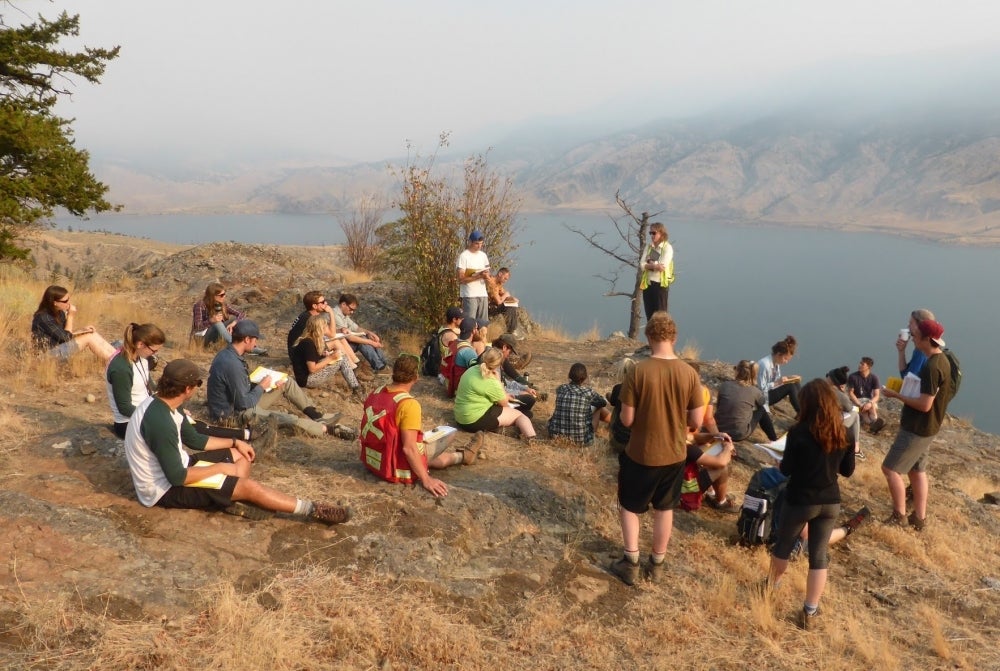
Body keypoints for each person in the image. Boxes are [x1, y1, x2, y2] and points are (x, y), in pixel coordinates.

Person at [124, 358, 350, 524]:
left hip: (179, 468)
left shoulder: (166, 403)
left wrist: (235, 443)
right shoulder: (159, 421)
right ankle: (313, 509)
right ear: (187, 388)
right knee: (249, 486)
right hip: (163, 489)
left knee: (242, 455)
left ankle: (229, 497)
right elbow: (177, 477)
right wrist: (221, 468)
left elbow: (194, 439)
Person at [610, 311, 703, 586]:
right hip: (674, 454)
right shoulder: (689, 373)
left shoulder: (638, 371)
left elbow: (626, 419)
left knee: (630, 506)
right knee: (665, 509)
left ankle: (631, 561)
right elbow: (696, 421)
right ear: (674, 338)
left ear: (649, 337)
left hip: (641, 452)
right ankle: (657, 563)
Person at [765, 379, 856, 630]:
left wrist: (777, 464)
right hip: (830, 501)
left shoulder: (798, 432)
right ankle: (810, 611)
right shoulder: (845, 432)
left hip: (801, 499)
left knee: (783, 545)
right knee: (818, 556)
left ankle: (770, 588)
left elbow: (787, 469)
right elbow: (847, 471)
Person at [105, 322, 258, 444]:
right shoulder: (121, 369)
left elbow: (151, 389)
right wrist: (162, 413)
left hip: (147, 411)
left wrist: (172, 405)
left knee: (192, 424)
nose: (155, 355)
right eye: (154, 351)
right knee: (188, 430)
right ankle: (240, 439)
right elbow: (124, 407)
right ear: (140, 345)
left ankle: (244, 435)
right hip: (129, 424)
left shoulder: (141, 359)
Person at [360, 355, 484, 498]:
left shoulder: (376, 392)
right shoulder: (408, 404)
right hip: (393, 468)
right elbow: (408, 448)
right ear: (416, 377)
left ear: (394, 373)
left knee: (419, 447)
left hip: (373, 461)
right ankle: (462, 456)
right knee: (440, 438)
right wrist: (426, 480)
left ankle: (463, 456)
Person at [207, 320, 351, 439]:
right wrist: (262, 386)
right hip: (233, 416)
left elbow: (239, 389)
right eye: (255, 340)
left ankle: (317, 415)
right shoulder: (232, 363)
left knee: (285, 381)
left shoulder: (229, 355)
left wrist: (265, 384)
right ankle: (328, 429)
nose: (256, 344)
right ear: (247, 339)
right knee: (286, 418)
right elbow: (243, 403)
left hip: (240, 405)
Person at [881, 319, 954, 531]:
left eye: (916, 333)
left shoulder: (932, 367)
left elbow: (924, 405)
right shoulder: (941, 360)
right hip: (929, 427)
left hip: (917, 428)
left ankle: (899, 516)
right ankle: (919, 519)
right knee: (917, 470)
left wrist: (896, 395)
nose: (912, 336)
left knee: (890, 469)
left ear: (925, 339)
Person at [453, 347, 536, 443]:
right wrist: (498, 382)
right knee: (521, 416)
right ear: (498, 365)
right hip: (474, 421)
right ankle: (532, 440)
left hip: (460, 418)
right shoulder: (491, 380)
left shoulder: (471, 370)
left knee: (527, 413)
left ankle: (498, 428)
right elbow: (504, 404)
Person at [31, 285, 117, 362]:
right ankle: (116, 363)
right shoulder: (44, 317)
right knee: (89, 338)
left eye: (68, 299)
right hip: (46, 356)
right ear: (55, 302)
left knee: (91, 333)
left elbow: (65, 333)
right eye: (65, 301)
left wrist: (82, 330)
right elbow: (66, 338)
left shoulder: (59, 312)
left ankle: (117, 357)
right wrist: (70, 316)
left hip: (59, 348)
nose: (68, 303)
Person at [290, 314, 364, 402]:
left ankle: (356, 385)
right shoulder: (308, 344)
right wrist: (330, 358)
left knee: (340, 356)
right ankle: (356, 389)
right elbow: (312, 369)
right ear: (320, 328)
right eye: (325, 326)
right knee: (342, 359)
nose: (327, 328)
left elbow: (311, 358)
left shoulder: (309, 340)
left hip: (306, 376)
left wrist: (324, 355)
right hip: (307, 380)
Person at [286, 290, 361, 372]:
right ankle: (352, 367)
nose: (326, 303)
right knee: (335, 342)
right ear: (314, 306)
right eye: (322, 302)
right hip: (300, 355)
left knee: (341, 338)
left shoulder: (308, 314)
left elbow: (329, 332)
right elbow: (332, 334)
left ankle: (354, 363)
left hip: (302, 349)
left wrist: (340, 330)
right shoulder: (313, 319)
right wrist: (331, 312)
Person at [191, 282, 267, 355]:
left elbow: (241, 314)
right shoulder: (200, 305)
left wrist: (234, 323)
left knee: (236, 320)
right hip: (202, 339)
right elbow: (197, 326)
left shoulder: (223, 304)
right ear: (213, 296)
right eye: (221, 295)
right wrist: (211, 321)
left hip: (216, 337)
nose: (224, 297)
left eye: (224, 294)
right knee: (218, 323)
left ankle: (250, 344)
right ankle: (238, 346)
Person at [547, 363, 611, 445]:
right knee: (599, 407)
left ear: (569, 375)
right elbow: (603, 402)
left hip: (554, 435)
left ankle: (615, 423)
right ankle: (616, 423)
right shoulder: (588, 392)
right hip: (582, 439)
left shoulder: (561, 388)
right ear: (585, 377)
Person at [716, 360, 779, 442]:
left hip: (718, 429)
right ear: (754, 374)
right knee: (761, 410)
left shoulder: (725, 385)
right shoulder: (754, 391)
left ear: (737, 371)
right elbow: (762, 402)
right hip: (738, 434)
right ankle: (773, 438)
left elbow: (718, 406)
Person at [333, 293, 388, 372]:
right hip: (340, 346)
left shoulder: (343, 314)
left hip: (344, 343)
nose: (352, 312)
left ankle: (382, 362)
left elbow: (356, 328)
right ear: (343, 304)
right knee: (362, 341)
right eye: (351, 309)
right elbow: (349, 337)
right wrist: (371, 342)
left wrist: (369, 333)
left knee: (367, 336)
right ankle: (379, 365)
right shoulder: (335, 315)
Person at [683, 436, 738, 511]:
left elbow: (694, 437)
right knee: (721, 469)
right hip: (683, 491)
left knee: (704, 448)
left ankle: (710, 492)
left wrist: (713, 435)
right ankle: (721, 502)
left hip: (670, 483)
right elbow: (721, 462)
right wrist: (727, 448)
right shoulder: (687, 447)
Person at [492, 334, 539, 418]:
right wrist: (519, 393)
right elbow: (498, 392)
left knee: (527, 411)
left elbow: (505, 383)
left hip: (500, 397)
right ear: (504, 347)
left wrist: (525, 388)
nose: (509, 355)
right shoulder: (494, 363)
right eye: (510, 352)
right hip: (496, 401)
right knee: (529, 401)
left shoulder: (496, 359)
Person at [826, 366, 864, 461]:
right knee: (855, 415)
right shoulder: (840, 395)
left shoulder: (819, 388)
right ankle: (856, 448)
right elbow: (849, 408)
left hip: (815, 422)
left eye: (828, 375)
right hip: (829, 427)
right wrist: (843, 393)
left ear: (831, 379)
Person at [638, 222, 674, 320]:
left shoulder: (667, 248)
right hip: (648, 285)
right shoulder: (649, 247)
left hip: (660, 287)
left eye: (654, 233)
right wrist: (654, 265)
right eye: (650, 233)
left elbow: (662, 267)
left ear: (661, 233)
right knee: (650, 317)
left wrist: (649, 263)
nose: (652, 235)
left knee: (661, 318)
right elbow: (641, 265)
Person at [757, 335, 801, 414]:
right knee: (790, 386)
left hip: (769, 391)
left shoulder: (776, 363)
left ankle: (804, 406)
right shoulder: (764, 365)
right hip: (761, 397)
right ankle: (801, 413)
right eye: (785, 358)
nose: (786, 362)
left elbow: (776, 381)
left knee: (795, 382)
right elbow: (761, 389)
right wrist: (778, 382)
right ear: (778, 354)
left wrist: (789, 378)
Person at [456, 230, 490, 322]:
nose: (479, 246)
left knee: (483, 323)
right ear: (470, 242)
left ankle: (482, 336)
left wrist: (487, 276)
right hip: (470, 295)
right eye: (476, 244)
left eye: (481, 244)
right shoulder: (464, 256)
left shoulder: (483, 256)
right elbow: (461, 279)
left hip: (482, 294)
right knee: (469, 323)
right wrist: (478, 276)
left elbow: (488, 273)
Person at [848, 357, 884, 434]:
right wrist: (859, 404)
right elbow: (851, 393)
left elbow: (877, 395)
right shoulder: (852, 377)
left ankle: (873, 424)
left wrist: (870, 403)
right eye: (860, 363)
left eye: (862, 364)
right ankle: (875, 423)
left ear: (868, 367)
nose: (859, 365)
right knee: (864, 412)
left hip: (868, 401)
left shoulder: (874, 378)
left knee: (872, 407)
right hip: (857, 402)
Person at [607, 358, 636, 453]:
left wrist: (608, 395)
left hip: (618, 442)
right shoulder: (641, 390)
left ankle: (612, 431)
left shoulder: (618, 388)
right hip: (637, 443)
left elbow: (612, 402)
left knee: (617, 407)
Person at [896, 308, 936, 377]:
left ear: (920, 326)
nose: (908, 326)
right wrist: (901, 351)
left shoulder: (922, 350)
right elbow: (904, 374)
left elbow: (907, 378)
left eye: (911, 323)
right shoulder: (919, 349)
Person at [486, 266, 523, 337]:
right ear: (500, 274)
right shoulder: (492, 282)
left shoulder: (499, 284)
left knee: (512, 305)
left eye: (506, 279)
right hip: (489, 307)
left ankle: (512, 330)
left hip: (495, 305)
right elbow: (499, 302)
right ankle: (511, 330)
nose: (505, 281)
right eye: (505, 278)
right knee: (509, 306)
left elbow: (504, 294)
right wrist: (505, 295)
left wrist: (512, 299)